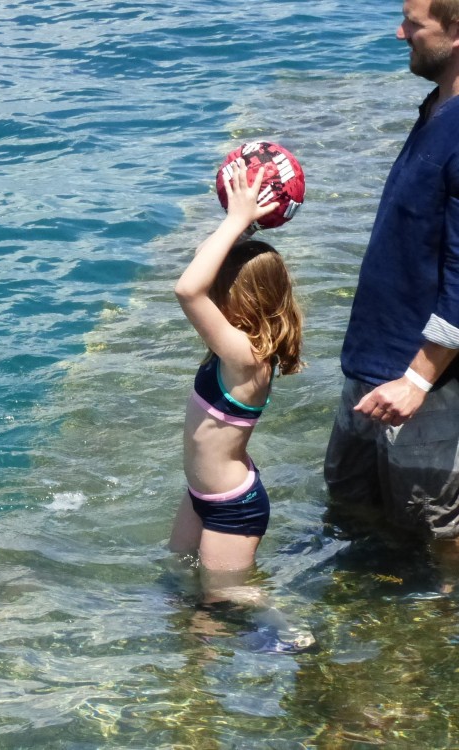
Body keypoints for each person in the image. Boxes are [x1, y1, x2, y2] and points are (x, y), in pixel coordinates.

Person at [324, 0, 459, 543]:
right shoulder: (437, 108)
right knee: (351, 506)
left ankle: (433, 626)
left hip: (421, 382)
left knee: (431, 534)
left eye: (414, 23)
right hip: (374, 362)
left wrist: (419, 379)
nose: (398, 31)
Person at [170, 160, 305, 574]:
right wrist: (244, 221)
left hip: (232, 506)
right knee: (177, 579)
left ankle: (285, 635)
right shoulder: (235, 344)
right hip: (201, 493)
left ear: (238, 298)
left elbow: (187, 289)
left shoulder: (245, 357)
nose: (209, 289)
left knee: (226, 599)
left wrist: (234, 222)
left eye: (219, 287)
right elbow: (200, 265)